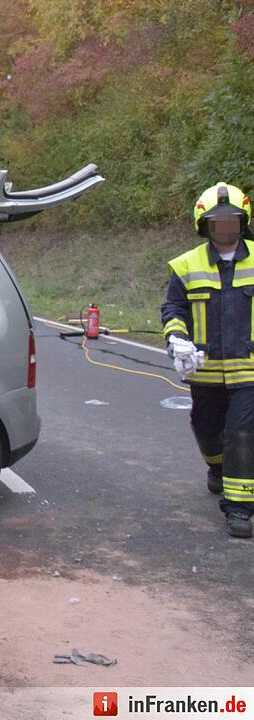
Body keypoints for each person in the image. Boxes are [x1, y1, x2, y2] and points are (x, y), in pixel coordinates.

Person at [161, 182, 254, 538]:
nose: (225, 228)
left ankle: (239, 509)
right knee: (206, 428)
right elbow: (174, 308)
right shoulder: (186, 265)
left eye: (232, 221)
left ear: (242, 222)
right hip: (206, 372)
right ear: (205, 225)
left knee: (241, 433)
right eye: (218, 222)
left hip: (249, 370)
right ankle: (217, 470)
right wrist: (177, 339)